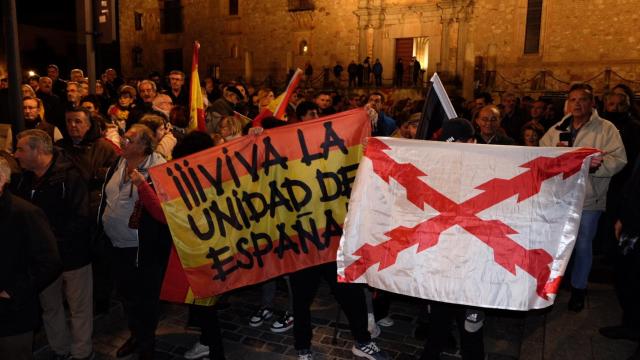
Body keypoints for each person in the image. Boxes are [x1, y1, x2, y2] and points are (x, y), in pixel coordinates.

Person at [540, 83, 627, 312]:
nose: (577, 104)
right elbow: (541, 155)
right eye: (572, 99)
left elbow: (619, 160)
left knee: (582, 244)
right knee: (557, 244)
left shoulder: (605, 129)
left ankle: (579, 288)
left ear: (592, 103)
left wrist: (592, 167)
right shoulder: (559, 127)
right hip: (560, 197)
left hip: (589, 198)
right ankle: (555, 286)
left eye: (582, 99)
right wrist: (556, 156)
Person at [13, 129, 93, 360]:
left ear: (37, 151)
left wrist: (51, 243)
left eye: (20, 149)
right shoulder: (25, 179)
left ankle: (81, 352)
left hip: (73, 255)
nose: (16, 154)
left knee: (79, 307)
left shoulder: (70, 176)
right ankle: (60, 349)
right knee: (51, 306)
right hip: (44, 261)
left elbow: (81, 217)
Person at [98, 124, 169, 359]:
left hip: (143, 249)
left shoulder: (158, 168)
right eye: (124, 138)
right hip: (116, 244)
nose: (123, 142)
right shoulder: (119, 162)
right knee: (127, 296)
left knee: (145, 299)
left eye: (129, 139)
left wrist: (142, 184)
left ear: (144, 145)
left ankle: (147, 344)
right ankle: (135, 335)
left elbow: (163, 211)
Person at [419, 118, 486, 360]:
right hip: (443, 262)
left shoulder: (490, 166)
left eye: (457, 145)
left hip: (472, 265)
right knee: (437, 325)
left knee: (471, 330)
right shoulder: (438, 166)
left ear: (472, 142)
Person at [0, 157, 62, 360]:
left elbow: (50, 262)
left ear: (1, 181)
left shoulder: (25, 213)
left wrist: (14, 290)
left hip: (13, 313)